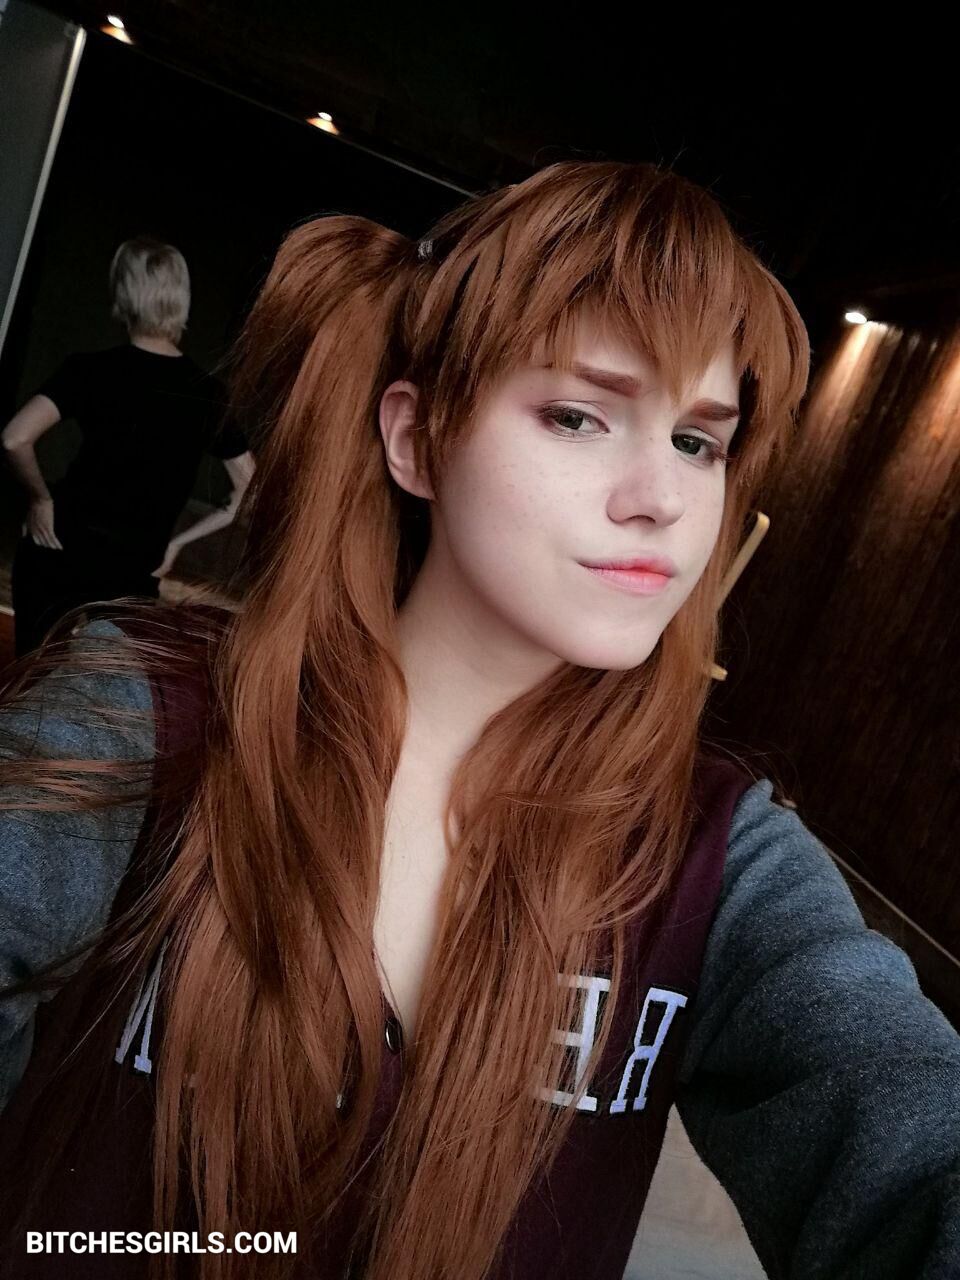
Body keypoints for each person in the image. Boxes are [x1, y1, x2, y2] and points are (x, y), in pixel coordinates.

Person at [0, 162, 958, 1280]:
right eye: (578, 416)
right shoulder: (147, 716)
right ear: (416, 439)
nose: (662, 497)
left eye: (699, 441)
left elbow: (912, 1138)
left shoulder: (720, 861)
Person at [1, 235, 257, 657]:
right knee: (104, 686)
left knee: (31, 673)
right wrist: (176, 544)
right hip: (133, 574)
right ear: (181, 299)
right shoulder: (209, 396)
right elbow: (247, 489)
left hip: (59, 549)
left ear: (123, 294)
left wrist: (40, 499)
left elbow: (15, 438)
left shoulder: (89, 369)